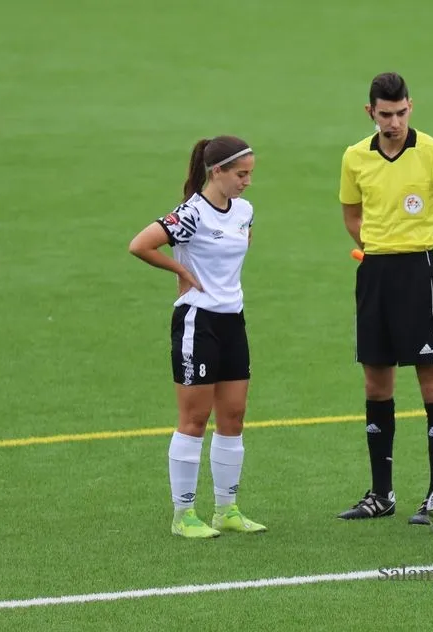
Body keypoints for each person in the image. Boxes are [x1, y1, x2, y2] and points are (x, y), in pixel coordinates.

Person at [338, 72, 433, 523]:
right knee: (376, 384)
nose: (394, 122)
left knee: (431, 382)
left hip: (421, 273)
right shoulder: (355, 157)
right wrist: (376, 242)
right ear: (370, 113)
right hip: (375, 274)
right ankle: (381, 494)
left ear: (410, 107)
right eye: (385, 115)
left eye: (401, 113)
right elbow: (351, 212)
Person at [128, 135, 266, 539]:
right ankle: (183, 514)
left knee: (233, 417)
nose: (247, 182)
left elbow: (239, 248)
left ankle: (227, 509)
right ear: (216, 171)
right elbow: (140, 245)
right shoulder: (190, 214)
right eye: (241, 174)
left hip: (232, 321)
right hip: (197, 322)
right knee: (194, 419)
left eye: (250, 174)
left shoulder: (244, 211)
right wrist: (182, 272)